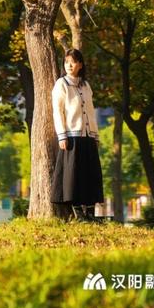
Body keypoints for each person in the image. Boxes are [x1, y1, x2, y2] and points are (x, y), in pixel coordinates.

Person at [51, 48, 104, 221]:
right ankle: (78, 214)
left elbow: (91, 111)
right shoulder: (62, 84)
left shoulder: (86, 85)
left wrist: (95, 135)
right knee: (73, 176)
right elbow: (58, 111)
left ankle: (90, 213)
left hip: (88, 137)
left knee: (90, 174)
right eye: (66, 62)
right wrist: (62, 135)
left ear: (80, 64)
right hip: (71, 137)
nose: (69, 65)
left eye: (73, 62)